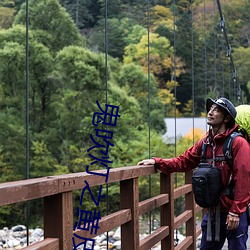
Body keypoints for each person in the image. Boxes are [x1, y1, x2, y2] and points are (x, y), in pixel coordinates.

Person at [137, 97, 250, 250]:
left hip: (233, 211)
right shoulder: (205, 143)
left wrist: (236, 212)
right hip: (213, 211)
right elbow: (184, 161)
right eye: (210, 109)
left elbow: (244, 178)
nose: (210, 112)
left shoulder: (238, 143)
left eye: (216, 110)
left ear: (227, 118)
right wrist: (157, 162)